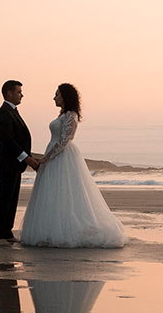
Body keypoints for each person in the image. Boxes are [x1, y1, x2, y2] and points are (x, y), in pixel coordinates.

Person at [20, 83, 127, 248]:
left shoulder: (71, 115)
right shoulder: (62, 114)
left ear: (65, 97)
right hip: (54, 154)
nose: (54, 97)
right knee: (51, 192)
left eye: (57, 94)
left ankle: (64, 230)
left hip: (63, 156)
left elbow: (65, 141)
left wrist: (45, 158)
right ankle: (50, 228)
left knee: (65, 191)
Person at [0, 79, 39, 245]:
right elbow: (7, 141)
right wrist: (26, 158)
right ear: (9, 93)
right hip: (7, 164)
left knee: (12, 200)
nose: (22, 95)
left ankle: (7, 232)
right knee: (4, 199)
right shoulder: (4, 112)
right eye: (19, 92)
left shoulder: (12, 111)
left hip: (15, 165)